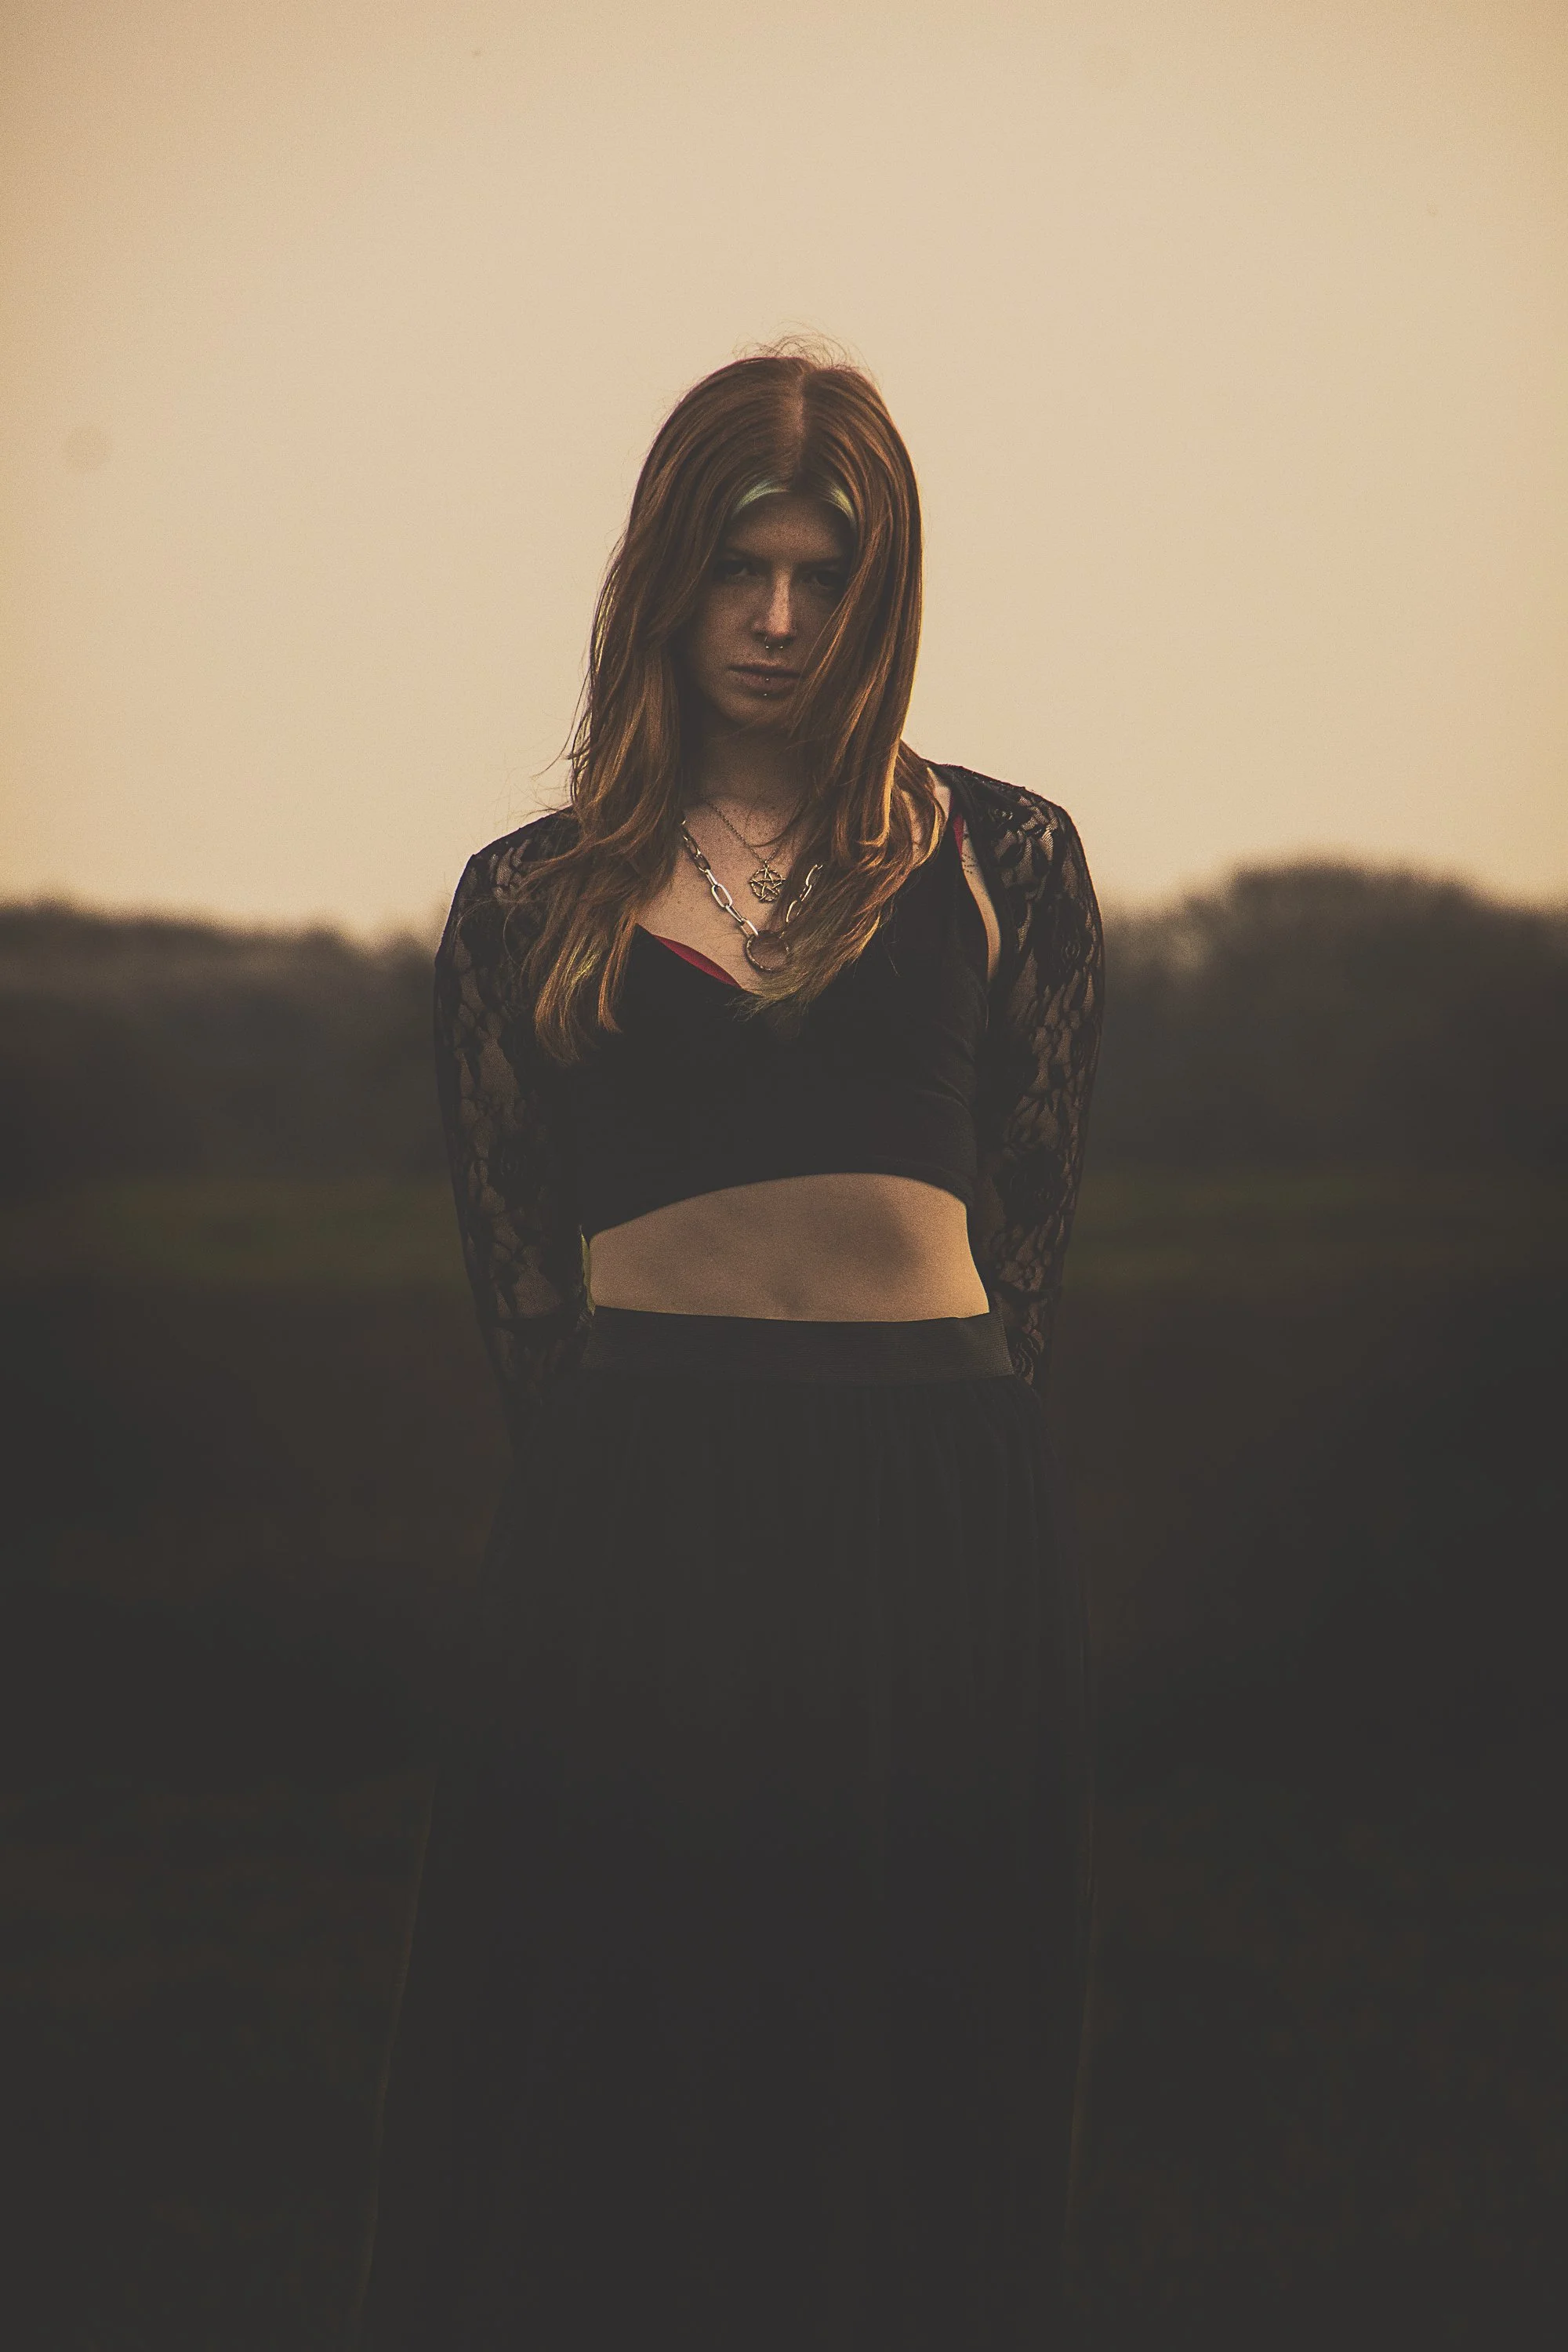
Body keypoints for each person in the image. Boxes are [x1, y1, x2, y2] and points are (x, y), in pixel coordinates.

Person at [351, 346, 1103, 2351]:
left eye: (822, 581)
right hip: (643, 1506)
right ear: (662, 584)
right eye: (736, 572)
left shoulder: (1003, 858)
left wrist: (904, 1452)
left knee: (912, 2043)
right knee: (625, 2041)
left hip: (933, 1507)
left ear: (884, 596)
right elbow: (523, 1291)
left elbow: (1022, 1239)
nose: (775, 623)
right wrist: (660, 1481)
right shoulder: (530, 899)